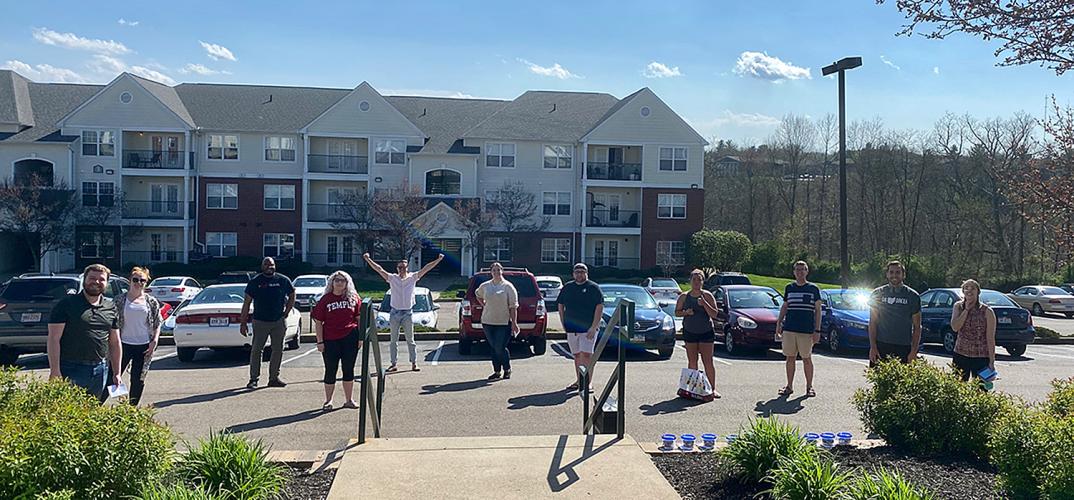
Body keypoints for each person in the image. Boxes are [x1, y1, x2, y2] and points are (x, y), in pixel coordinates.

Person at [47, 263, 122, 402]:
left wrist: (116, 373)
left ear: (106, 283)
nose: (96, 282)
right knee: (68, 412)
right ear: (84, 280)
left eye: (101, 279)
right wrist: (55, 370)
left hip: (100, 369)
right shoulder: (66, 305)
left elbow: (115, 341)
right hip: (70, 367)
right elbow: (53, 339)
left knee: (91, 412)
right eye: (92, 278)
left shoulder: (110, 307)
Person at [363, 252, 443, 372]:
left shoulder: (412, 277)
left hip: (407, 313)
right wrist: (368, 259)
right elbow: (378, 269)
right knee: (393, 341)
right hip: (394, 313)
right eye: (400, 267)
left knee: (410, 340)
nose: (402, 269)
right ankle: (393, 364)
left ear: (407, 268)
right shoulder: (392, 278)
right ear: (397, 268)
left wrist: (438, 259)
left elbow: (427, 268)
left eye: (404, 267)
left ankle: (414, 363)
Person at [240, 257, 296, 389]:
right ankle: (253, 379)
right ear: (262, 266)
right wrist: (243, 323)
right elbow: (247, 302)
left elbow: (292, 293)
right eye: (266, 264)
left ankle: (274, 378)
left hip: (278, 321)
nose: (269, 266)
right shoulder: (255, 282)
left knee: (278, 350)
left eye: (271, 264)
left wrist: (287, 311)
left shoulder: (283, 280)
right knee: (256, 350)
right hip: (260, 321)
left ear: (275, 266)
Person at [311, 270, 363, 411]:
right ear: (332, 282)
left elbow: (359, 319)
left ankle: (349, 400)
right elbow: (318, 322)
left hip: (350, 338)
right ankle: (328, 401)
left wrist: (360, 338)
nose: (339, 282)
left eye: (342, 280)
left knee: (348, 369)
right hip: (330, 340)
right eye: (337, 280)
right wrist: (320, 341)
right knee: (330, 370)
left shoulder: (353, 299)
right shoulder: (325, 300)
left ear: (347, 283)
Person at [114, 266, 164, 406]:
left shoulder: (151, 301)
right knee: (113, 376)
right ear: (130, 280)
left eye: (142, 280)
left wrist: (154, 340)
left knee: (138, 379)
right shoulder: (120, 300)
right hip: (122, 344)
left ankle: (132, 409)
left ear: (146, 282)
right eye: (135, 279)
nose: (138, 283)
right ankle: (105, 404)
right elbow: (111, 322)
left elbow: (157, 322)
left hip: (143, 346)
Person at [775, 261, 823, 397]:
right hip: (789, 329)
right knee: (790, 358)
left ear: (807, 272)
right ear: (794, 272)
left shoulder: (813, 289)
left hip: (806, 330)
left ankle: (809, 387)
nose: (800, 272)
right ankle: (789, 386)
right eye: (797, 270)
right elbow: (785, 307)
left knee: (807, 358)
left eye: (803, 270)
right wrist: (779, 324)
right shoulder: (789, 288)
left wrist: (817, 330)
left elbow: (818, 311)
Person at [557, 263, 604, 391]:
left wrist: (594, 327)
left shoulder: (593, 288)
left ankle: (587, 382)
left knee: (587, 355)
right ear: (573, 274)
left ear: (586, 273)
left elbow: (599, 307)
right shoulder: (567, 288)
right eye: (577, 272)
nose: (579, 274)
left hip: (588, 329)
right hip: (572, 329)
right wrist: (563, 323)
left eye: (582, 272)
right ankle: (579, 381)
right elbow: (560, 305)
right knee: (577, 356)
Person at [675, 269, 720, 398]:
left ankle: (712, 389)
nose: (696, 282)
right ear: (690, 281)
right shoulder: (684, 296)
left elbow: (714, 314)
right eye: (694, 279)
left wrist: (704, 303)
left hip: (706, 332)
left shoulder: (708, 295)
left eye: (699, 279)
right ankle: (693, 389)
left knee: (708, 361)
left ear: (703, 281)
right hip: (690, 332)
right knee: (692, 362)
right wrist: (686, 313)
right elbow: (677, 312)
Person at [868, 260, 922, 366]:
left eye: (898, 272)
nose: (894, 275)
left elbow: (917, 326)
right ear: (887, 274)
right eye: (891, 272)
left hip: (903, 347)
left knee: (902, 381)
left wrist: (913, 351)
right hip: (881, 345)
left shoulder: (913, 296)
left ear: (903, 275)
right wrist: (873, 347)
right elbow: (872, 322)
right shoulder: (878, 293)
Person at [475, 262, 519, 380]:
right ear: (491, 272)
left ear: (502, 271)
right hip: (488, 321)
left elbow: (513, 306)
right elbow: (477, 294)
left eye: (498, 270)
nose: (496, 272)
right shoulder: (485, 286)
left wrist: (514, 322)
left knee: (499, 347)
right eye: (494, 270)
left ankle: (507, 369)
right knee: (494, 347)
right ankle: (497, 371)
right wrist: (483, 304)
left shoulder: (508, 287)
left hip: (503, 322)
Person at [950, 279, 997, 382]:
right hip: (961, 354)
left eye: (973, 288)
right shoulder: (958, 307)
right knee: (958, 386)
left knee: (981, 389)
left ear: (978, 291)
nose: (969, 291)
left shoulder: (987, 311)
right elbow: (955, 327)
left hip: (981, 356)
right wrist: (966, 310)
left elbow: (990, 338)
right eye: (966, 288)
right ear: (963, 291)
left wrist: (992, 361)